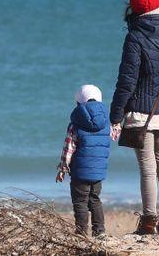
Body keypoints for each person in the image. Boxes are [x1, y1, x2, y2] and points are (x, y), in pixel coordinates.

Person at [109, 0, 159, 236]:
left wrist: (115, 115)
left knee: (147, 168)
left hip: (140, 115)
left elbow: (126, 81)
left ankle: (148, 222)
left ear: (135, 8)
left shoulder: (134, 37)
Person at [55, 84, 111, 237]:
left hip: (80, 171)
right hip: (99, 170)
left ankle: (81, 233)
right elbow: (110, 139)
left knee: (80, 202)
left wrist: (63, 168)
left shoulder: (75, 124)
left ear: (78, 103)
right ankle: (99, 231)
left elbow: (69, 148)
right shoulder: (107, 123)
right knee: (95, 199)